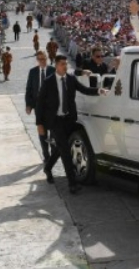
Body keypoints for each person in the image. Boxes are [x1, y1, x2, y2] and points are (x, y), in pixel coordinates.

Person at [35, 54, 106, 193]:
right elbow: (39, 103)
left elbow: (84, 90)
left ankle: (48, 168)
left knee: (60, 148)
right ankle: (72, 183)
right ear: (56, 65)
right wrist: (39, 124)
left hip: (69, 119)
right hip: (55, 121)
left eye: (66, 64)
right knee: (66, 152)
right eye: (62, 64)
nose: (65, 66)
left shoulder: (71, 79)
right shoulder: (48, 82)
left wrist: (99, 90)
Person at [25, 51, 54, 161]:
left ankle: (53, 151)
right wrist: (28, 105)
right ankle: (46, 155)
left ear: (47, 58)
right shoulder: (32, 72)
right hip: (38, 107)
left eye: (44, 59)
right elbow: (29, 89)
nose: (42, 61)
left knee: (53, 132)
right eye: (40, 59)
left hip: (51, 107)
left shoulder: (53, 70)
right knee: (42, 131)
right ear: (37, 60)